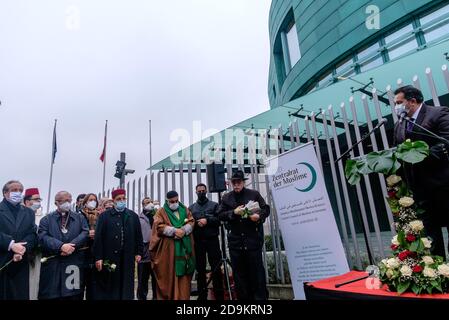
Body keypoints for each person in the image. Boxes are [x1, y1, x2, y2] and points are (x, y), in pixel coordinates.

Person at [393, 85, 449, 259]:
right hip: (419, 190)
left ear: (412, 101)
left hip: (443, 185)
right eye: (395, 103)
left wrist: (419, 156)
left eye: (399, 102)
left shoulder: (438, 113)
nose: (396, 107)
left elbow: (446, 142)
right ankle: (440, 271)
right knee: (430, 236)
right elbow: (399, 153)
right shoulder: (399, 125)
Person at [218, 170, 270, 300]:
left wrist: (258, 216)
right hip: (236, 243)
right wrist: (233, 212)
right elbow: (219, 215)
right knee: (240, 276)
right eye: (234, 182)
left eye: (239, 182)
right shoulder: (226, 198)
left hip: (252, 241)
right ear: (230, 183)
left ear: (243, 182)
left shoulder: (254, 194)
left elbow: (266, 209)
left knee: (257, 274)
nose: (236, 184)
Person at [93, 189, 143, 300]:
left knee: (127, 284)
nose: (121, 201)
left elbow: (138, 236)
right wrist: (98, 257)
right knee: (112, 285)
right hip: (110, 257)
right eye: (118, 199)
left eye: (123, 198)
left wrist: (139, 252)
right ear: (114, 200)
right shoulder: (104, 216)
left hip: (128, 256)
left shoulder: (132, 216)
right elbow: (98, 238)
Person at [38, 191, 89, 300]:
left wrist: (72, 246)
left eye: (69, 201)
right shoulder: (46, 220)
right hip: (53, 265)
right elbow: (43, 237)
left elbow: (85, 233)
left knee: (73, 294)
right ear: (56, 203)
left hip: (73, 264)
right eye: (65, 201)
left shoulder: (79, 218)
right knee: (51, 294)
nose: (68, 203)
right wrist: (61, 246)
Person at [150, 190, 195, 300]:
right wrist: (174, 231)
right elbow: (158, 226)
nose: (174, 203)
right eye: (172, 201)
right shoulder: (161, 211)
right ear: (167, 201)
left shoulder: (184, 209)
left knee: (184, 277)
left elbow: (191, 221)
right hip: (169, 251)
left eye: (176, 200)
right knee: (169, 275)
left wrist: (184, 230)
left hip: (184, 248)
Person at [0, 181, 38, 300]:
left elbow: (32, 234)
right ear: (5, 193)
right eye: (14, 190)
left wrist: (23, 248)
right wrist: (11, 244)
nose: (18, 193)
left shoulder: (29, 212)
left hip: (21, 262)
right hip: (2, 259)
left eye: (20, 191)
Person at [189, 183, 224, 300]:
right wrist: (195, 223)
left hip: (212, 240)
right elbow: (188, 222)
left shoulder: (214, 205)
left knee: (216, 268)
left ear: (206, 191)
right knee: (200, 269)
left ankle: (219, 296)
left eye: (203, 191)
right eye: (199, 191)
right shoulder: (191, 208)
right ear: (196, 192)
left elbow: (219, 219)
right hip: (198, 242)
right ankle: (202, 296)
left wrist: (207, 221)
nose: (201, 193)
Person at [23, 188, 43, 300]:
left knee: (35, 283)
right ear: (27, 201)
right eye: (36, 199)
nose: (38, 202)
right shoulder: (21, 215)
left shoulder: (42, 217)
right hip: (22, 254)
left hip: (38, 255)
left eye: (39, 199)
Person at [137, 197, 157, 300]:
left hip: (156, 251)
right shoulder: (139, 218)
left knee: (156, 278)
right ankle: (142, 297)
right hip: (144, 251)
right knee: (142, 279)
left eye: (150, 202)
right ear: (143, 205)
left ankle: (156, 297)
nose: (149, 204)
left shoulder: (157, 216)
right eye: (147, 203)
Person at [80, 193, 99, 300]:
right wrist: (87, 234)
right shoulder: (80, 215)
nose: (93, 202)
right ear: (85, 202)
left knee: (93, 289)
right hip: (82, 254)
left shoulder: (100, 216)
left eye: (95, 200)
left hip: (94, 254)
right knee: (80, 286)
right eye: (90, 200)